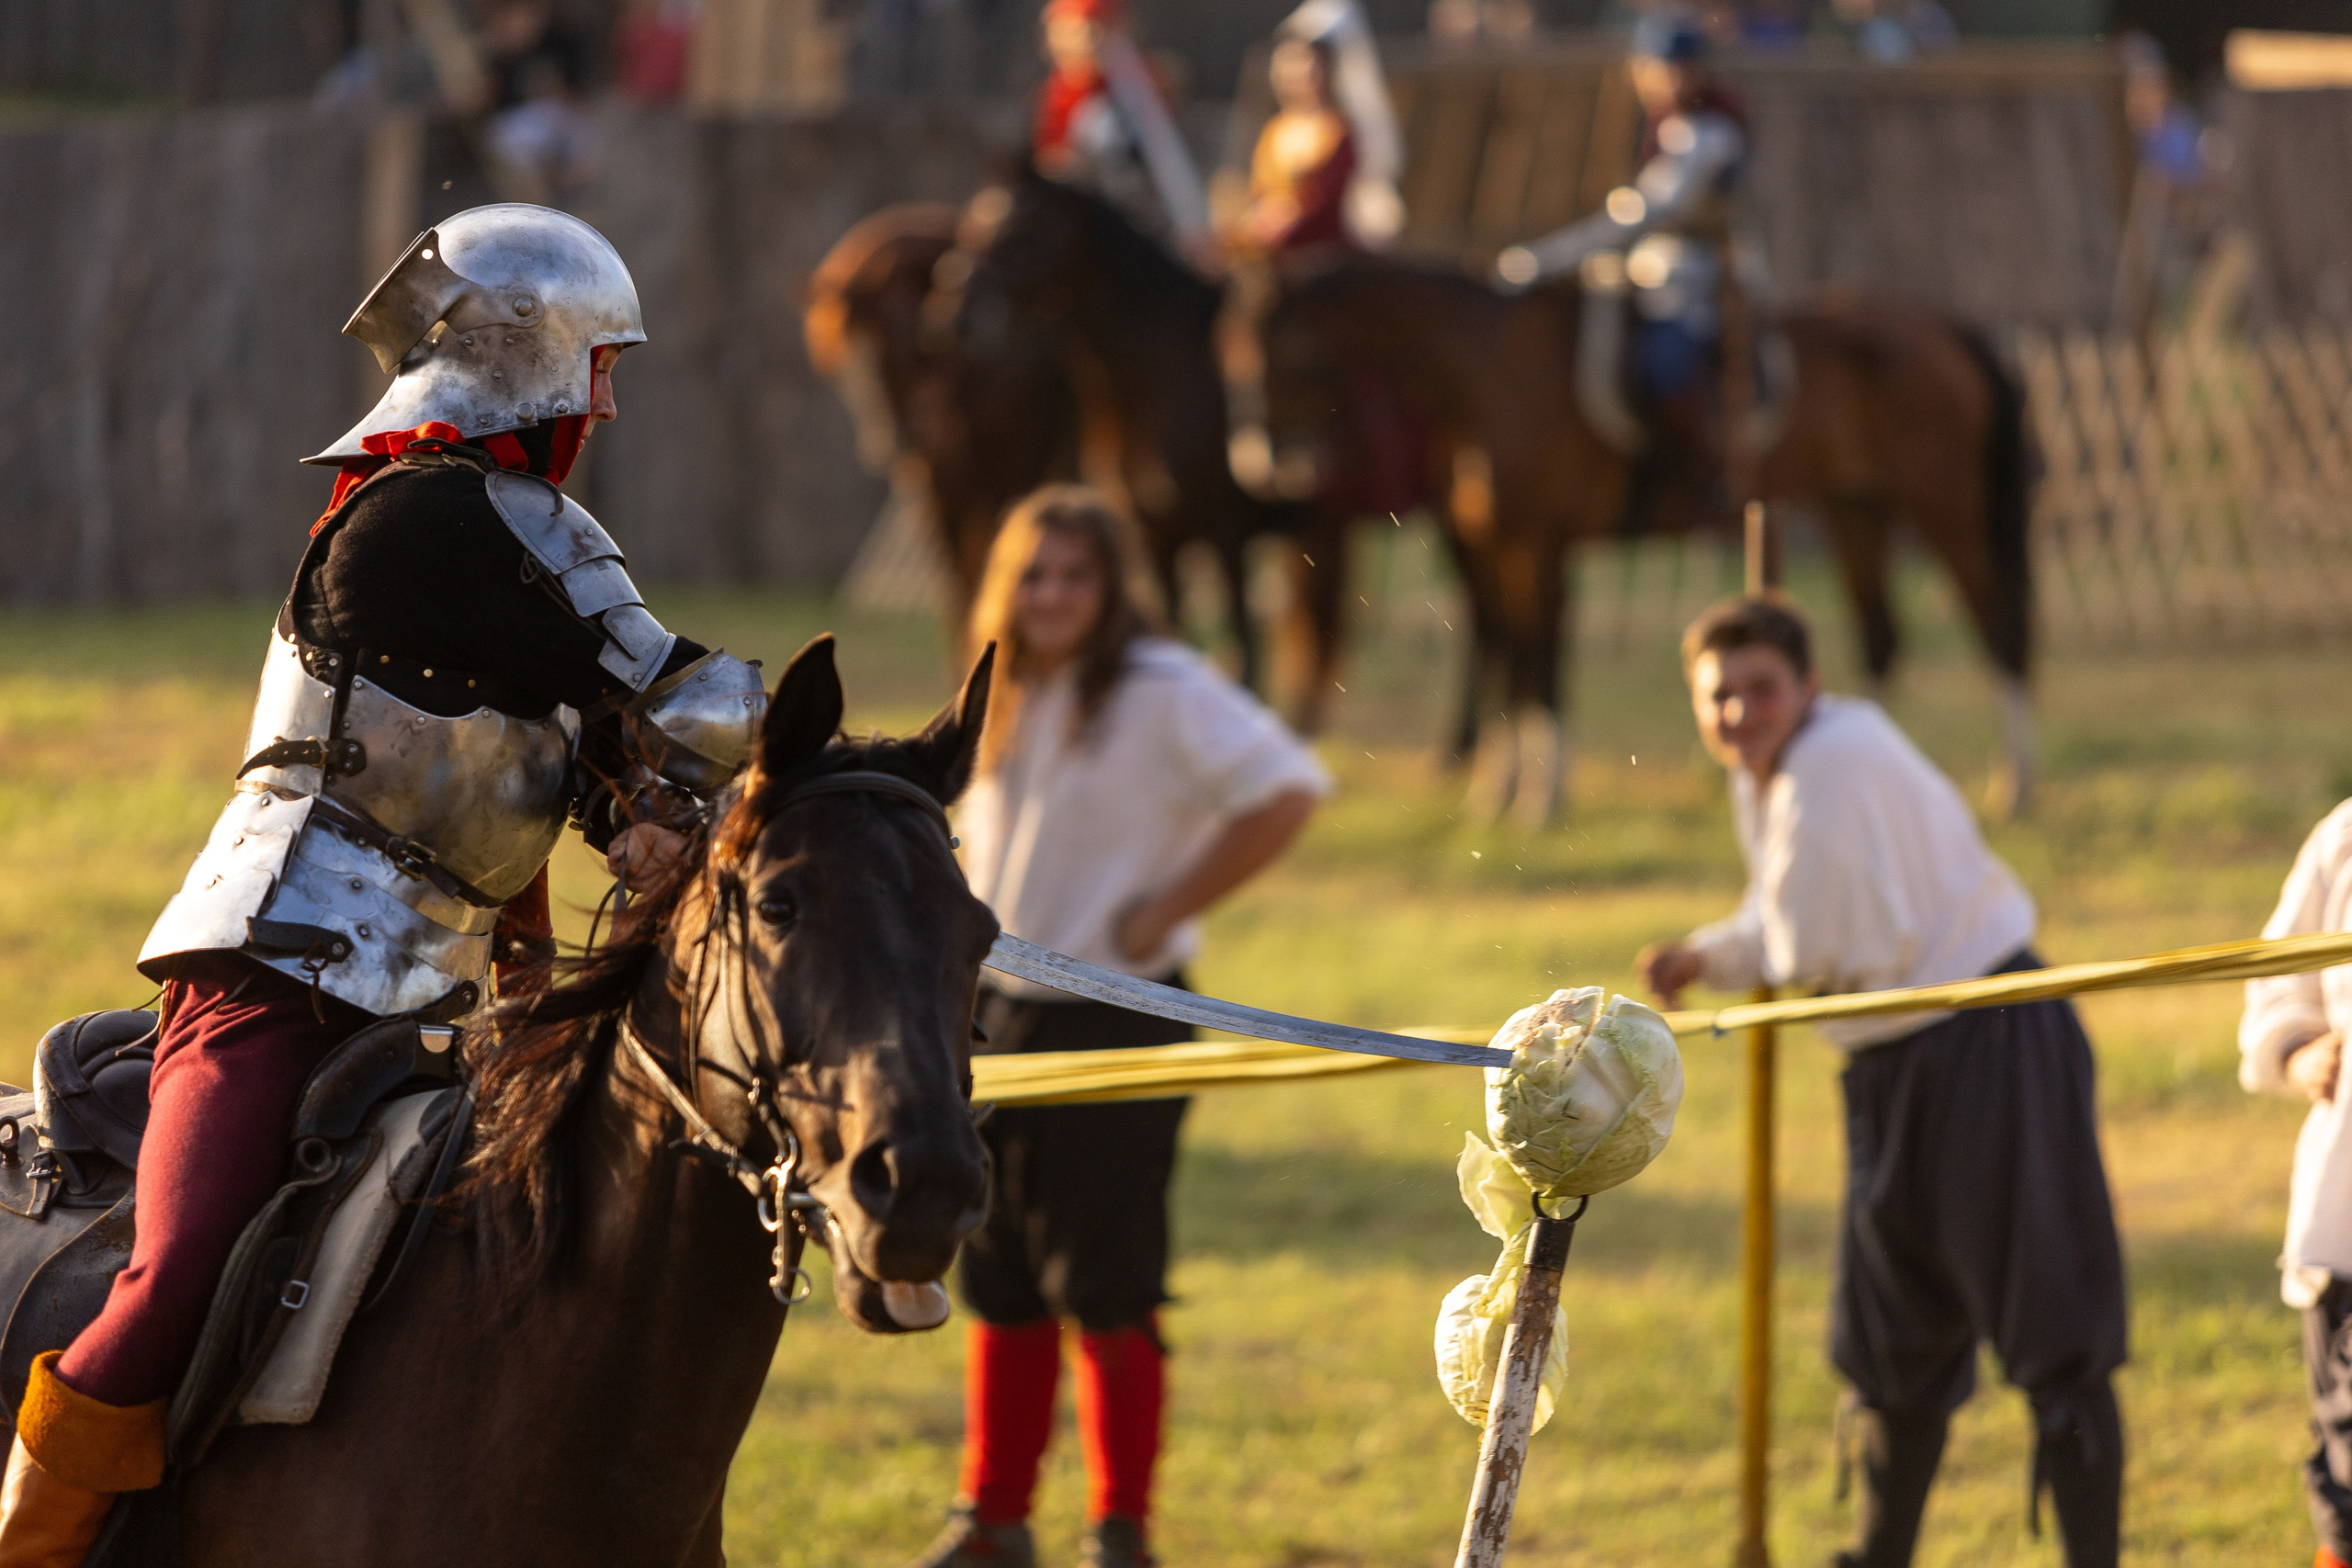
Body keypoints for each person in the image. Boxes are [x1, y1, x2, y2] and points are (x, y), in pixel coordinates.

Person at [0, 204, 763, 1562]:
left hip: (436, 995)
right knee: (171, 1277)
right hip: (280, 966)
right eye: (605, 365)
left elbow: (563, 741)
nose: (611, 398)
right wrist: (742, 773)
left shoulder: (507, 543)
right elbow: (678, 699)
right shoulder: (426, 525)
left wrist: (638, 817)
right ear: (539, 357)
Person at [1634, 595, 2125, 1568]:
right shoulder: (1778, 773)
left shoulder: (1834, 768)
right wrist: (1703, 956)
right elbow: (1789, 918)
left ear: (1807, 685)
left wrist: (1737, 962)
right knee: (1894, 1330)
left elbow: (1813, 939)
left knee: (2047, 1327)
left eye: (1760, 689)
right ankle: (1877, 1558)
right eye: (1717, 697)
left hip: (1986, 1042)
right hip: (1893, 1063)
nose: (1739, 714)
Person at [906, 487, 1329, 1568]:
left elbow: (1289, 789)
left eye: (1074, 576)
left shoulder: (1161, 687)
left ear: (1112, 586)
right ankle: (994, 1518)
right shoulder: (1004, 691)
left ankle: (1119, 1529)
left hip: (1120, 1016)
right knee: (994, 1266)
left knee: (1106, 1278)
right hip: (994, 1016)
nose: (1051, 595)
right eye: (1034, 574)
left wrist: (1170, 902)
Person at [1493, 8, 1754, 465]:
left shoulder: (1709, 133)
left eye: (1677, 69)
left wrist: (1543, 261)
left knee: (1665, 368)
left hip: (1693, 280)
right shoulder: (1663, 126)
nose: (1667, 80)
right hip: (1643, 272)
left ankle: (1698, 470)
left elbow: (1647, 214)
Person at [2239, 800, 2352, 1568]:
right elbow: (2280, 975)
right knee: (2344, 1466)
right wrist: (2299, 1050)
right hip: (2346, 1223)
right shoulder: (2345, 836)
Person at [1031, 0, 1210, 252]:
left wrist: (1193, 227)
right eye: (1074, 31)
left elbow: (1169, 162)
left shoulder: (1139, 86)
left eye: (1097, 29)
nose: (1089, 40)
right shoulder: (1057, 95)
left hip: (1143, 225)